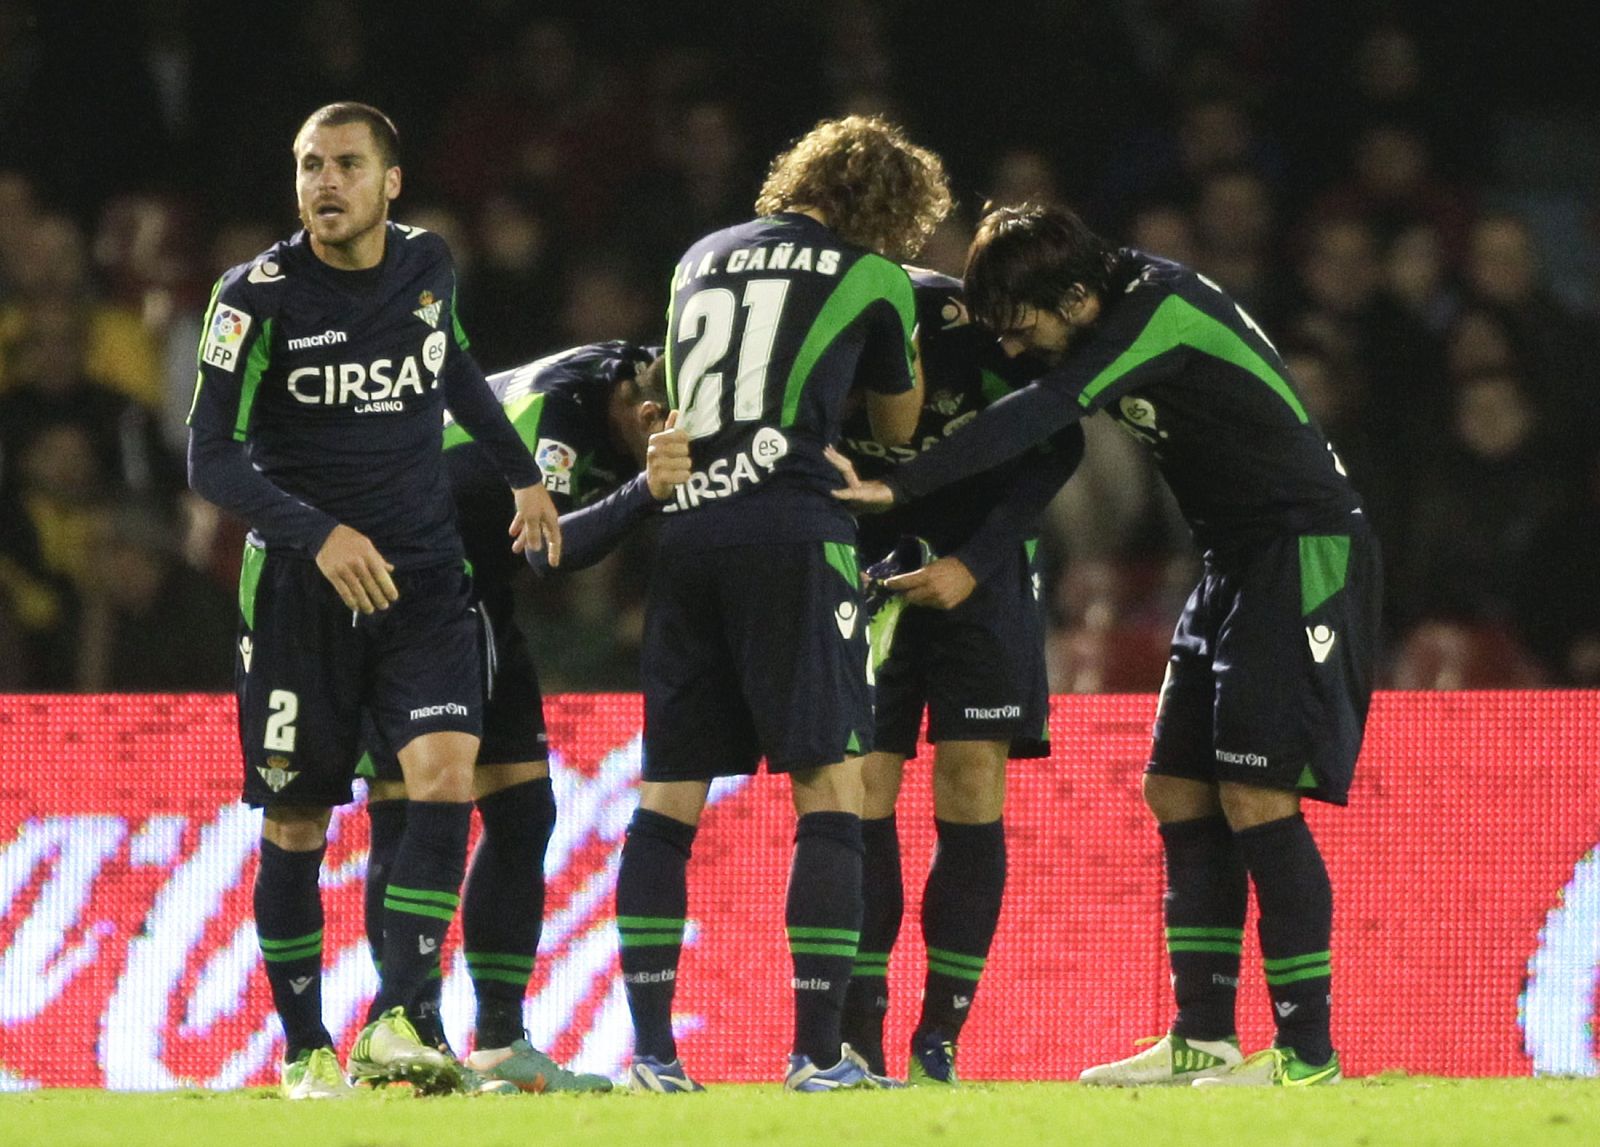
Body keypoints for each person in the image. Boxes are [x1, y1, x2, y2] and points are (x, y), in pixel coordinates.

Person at [836, 204, 1381, 1087]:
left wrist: (898, 488)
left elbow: (1045, 414)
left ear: (1080, 297)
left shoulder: (1158, 307)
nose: (1011, 350)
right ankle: (1203, 1035)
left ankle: (1308, 1053)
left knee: (1256, 793)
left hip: (1303, 551)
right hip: (1235, 557)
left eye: (1024, 328)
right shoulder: (1106, 306)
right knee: (1177, 788)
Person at [186, 102, 561, 1100]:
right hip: (304, 591)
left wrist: (521, 472)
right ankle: (308, 1046)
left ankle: (398, 1016)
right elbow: (208, 456)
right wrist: (319, 531)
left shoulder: (428, 265)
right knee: (301, 818)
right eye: (310, 164)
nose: (324, 182)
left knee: (443, 773)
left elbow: (454, 370)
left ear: (389, 182)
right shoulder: (251, 297)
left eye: (346, 164)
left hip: (427, 578)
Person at [617, 114, 950, 1094]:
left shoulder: (697, 258)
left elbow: (682, 399)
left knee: (668, 795)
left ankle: (650, 1056)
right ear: (887, 209)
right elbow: (897, 421)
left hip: (684, 537)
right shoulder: (872, 276)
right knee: (829, 788)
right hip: (794, 536)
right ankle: (814, 1053)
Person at [359, 341, 688, 1093]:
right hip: (410, 579)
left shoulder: (622, 376)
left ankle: (500, 1042)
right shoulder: (559, 407)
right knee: (408, 809)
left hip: (472, 586)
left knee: (523, 809)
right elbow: (549, 549)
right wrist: (647, 489)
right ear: (646, 415)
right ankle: (406, 1030)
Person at [829, 270, 1083, 1085]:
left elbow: (1058, 441)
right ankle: (859, 1039)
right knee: (863, 782)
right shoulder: (816, 327)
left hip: (981, 573)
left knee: (971, 780)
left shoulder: (962, 325)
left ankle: (939, 1036)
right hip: (867, 574)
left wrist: (975, 562)